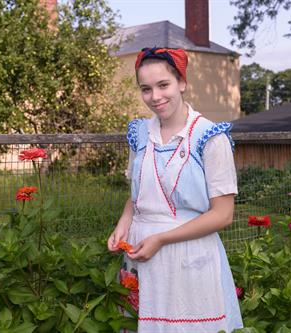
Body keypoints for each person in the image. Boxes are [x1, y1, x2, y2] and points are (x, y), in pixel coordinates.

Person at [107, 47, 243, 333]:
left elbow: (223, 215)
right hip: (140, 252)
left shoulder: (210, 138)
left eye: (163, 85)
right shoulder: (139, 134)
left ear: (182, 82)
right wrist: (124, 222)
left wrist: (162, 238)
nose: (155, 97)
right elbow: (138, 194)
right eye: (146, 89)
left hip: (188, 254)